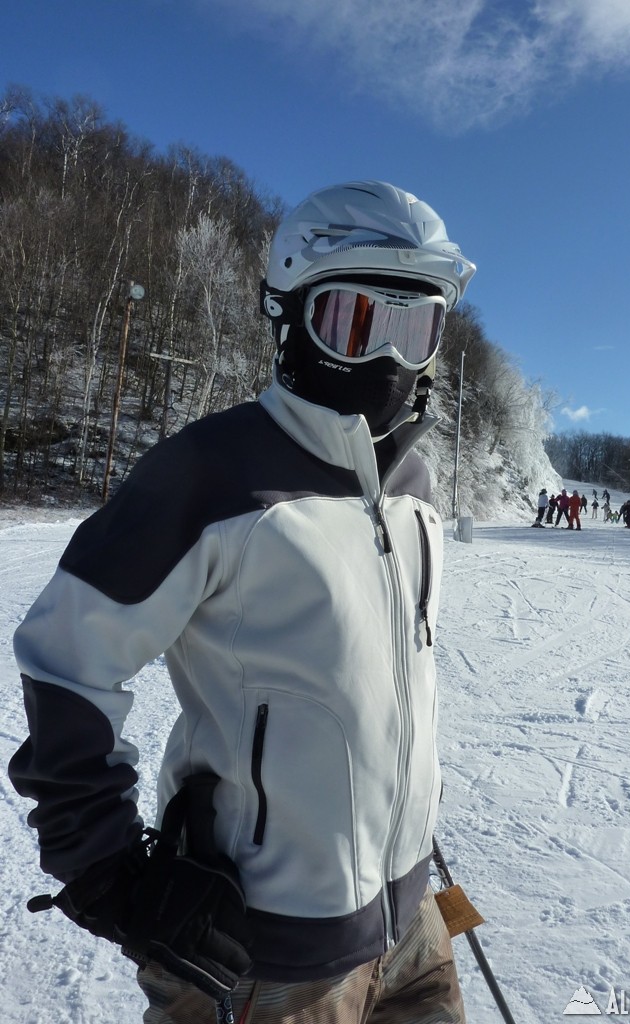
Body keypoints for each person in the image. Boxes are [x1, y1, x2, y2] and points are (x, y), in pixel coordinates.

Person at [8, 181, 476, 1024]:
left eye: (418, 329)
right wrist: (107, 871)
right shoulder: (215, 473)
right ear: (288, 314)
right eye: (357, 323)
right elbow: (65, 656)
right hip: (266, 957)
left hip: (412, 921)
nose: (390, 362)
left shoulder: (414, 485)